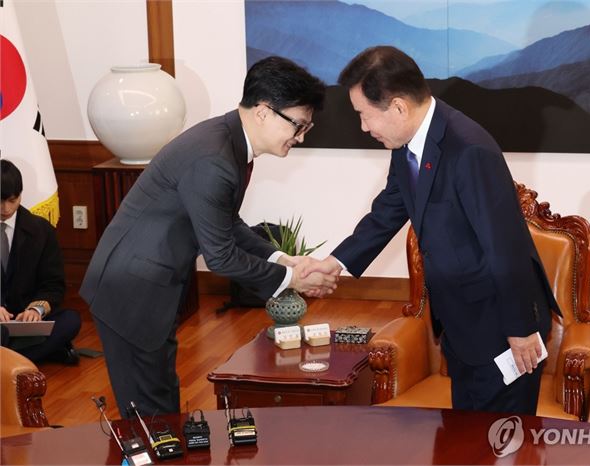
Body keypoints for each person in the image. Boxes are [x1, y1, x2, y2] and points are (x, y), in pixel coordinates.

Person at [307, 46, 561, 415]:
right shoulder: (408, 144)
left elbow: (504, 246)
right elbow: (389, 209)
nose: (364, 127)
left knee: (501, 437)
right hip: (461, 322)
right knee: (462, 434)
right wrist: (335, 263)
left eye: (364, 115)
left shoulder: (469, 150)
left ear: (398, 107)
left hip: (499, 327)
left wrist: (520, 330)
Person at [80, 56, 338, 417]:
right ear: (264, 112)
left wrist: (283, 259)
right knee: (148, 413)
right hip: (131, 289)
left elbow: (227, 223)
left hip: (150, 282)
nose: (301, 137)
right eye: (298, 125)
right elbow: (220, 256)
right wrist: (292, 278)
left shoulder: (228, 140)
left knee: (160, 399)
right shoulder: (214, 158)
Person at [0, 159, 81, 365]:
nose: (5, 208)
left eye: (12, 200)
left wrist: (35, 310)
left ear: (20, 195)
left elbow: (53, 285)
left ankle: (9, 359)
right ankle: (32, 355)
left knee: (70, 320)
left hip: (25, 322)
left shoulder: (41, 230)